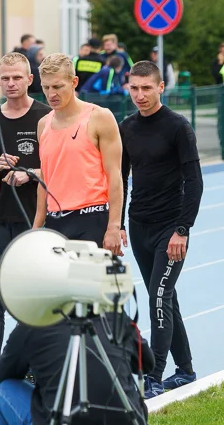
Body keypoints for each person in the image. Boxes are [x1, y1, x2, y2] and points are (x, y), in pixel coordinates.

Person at [120, 61, 203, 398]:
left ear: (160, 87)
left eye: (146, 88)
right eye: (134, 88)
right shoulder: (126, 127)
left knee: (158, 297)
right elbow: (121, 180)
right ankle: (185, 371)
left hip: (171, 229)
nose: (139, 95)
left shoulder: (178, 127)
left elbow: (195, 183)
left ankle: (153, 376)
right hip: (139, 227)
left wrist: (182, 230)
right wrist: (119, 223)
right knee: (166, 299)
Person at [0, 52, 51, 396]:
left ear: (29, 79)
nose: (10, 84)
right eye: (5, 78)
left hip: (34, 221)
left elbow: (61, 172)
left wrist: (29, 174)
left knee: (33, 298)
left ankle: (34, 367)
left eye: (17, 78)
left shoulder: (46, 118)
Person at [33, 53, 124, 254]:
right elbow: (45, 179)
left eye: (57, 87)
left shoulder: (100, 117)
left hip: (92, 219)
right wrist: (36, 229)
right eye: (46, 87)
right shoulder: (43, 125)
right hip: (55, 222)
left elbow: (115, 175)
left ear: (74, 82)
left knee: (98, 285)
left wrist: (114, 227)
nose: (51, 94)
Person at [0, 313, 153, 425]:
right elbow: (147, 363)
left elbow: (2, 376)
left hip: (60, 419)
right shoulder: (111, 313)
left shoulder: (36, 321)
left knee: (3, 392)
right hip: (127, 419)